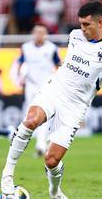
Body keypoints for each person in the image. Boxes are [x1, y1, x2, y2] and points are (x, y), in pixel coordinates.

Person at [1, 1, 102, 198]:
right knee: (31, 120)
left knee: (51, 160)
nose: (82, 29)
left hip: (76, 106)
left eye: (87, 24)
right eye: (81, 24)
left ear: (100, 22)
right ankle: (7, 177)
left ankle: (54, 192)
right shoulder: (74, 35)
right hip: (55, 89)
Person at [17, 25, 61, 157]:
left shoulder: (51, 48)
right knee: (29, 114)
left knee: (44, 113)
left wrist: (57, 79)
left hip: (46, 84)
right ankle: (27, 141)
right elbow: (21, 63)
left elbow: (58, 64)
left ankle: (41, 144)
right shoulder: (26, 47)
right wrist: (20, 75)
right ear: (33, 33)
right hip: (31, 84)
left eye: (42, 33)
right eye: (37, 32)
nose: (39, 35)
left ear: (46, 34)